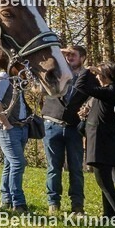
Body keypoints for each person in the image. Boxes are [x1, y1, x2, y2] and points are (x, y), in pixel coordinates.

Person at [77, 62, 115, 227]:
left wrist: (112, 107)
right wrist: (85, 112)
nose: (96, 76)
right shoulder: (102, 92)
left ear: (106, 75)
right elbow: (90, 107)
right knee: (106, 181)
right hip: (102, 139)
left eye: (99, 74)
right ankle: (109, 215)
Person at [42, 44, 88, 215]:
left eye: (73, 55)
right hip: (52, 124)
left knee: (76, 168)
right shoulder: (56, 72)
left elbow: (96, 95)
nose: (69, 58)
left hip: (74, 127)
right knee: (53, 167)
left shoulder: (87, 77)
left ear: (82, 58)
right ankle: (53, 204)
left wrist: (87, 109)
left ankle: (77, 206)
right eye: (67, 55)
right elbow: (46, 57)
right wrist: (61, 51)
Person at [0, 70, 31, 212]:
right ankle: (18, 203)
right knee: (18, 163)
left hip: (20, 127)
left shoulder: (18, 77)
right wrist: (7, 125)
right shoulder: (3, 76)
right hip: (6, 128)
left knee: (10, 164)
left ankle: (6, 199)